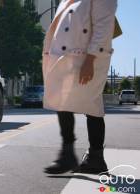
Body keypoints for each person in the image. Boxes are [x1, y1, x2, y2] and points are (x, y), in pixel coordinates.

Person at [42, 0, 118, 174]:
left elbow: (104, 26)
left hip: (85, 59)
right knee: (62, 103)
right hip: (65, 58)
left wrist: (91, 59)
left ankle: (95, 158)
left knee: (92, 107)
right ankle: (68, 154)